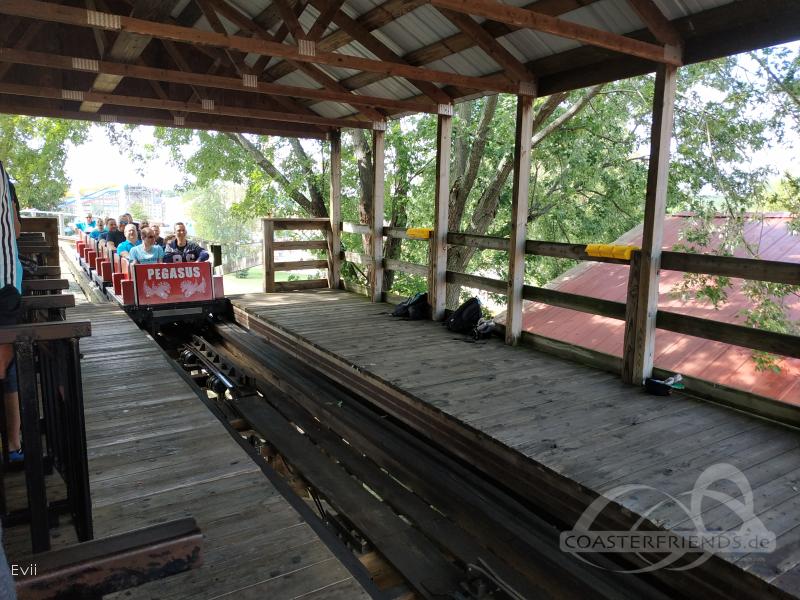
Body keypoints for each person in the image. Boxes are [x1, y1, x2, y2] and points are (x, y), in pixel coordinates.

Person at [1, 164, 23, 463]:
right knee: (7, 369)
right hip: (5, 284)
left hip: (4, 287)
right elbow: (15, 229)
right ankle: (14, 444)